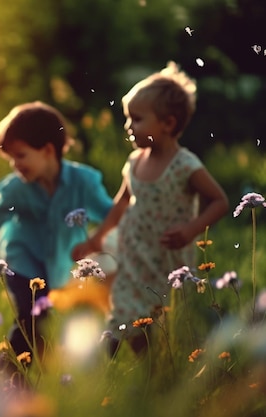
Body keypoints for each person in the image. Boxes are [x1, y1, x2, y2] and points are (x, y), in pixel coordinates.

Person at [72, 62, 229, 355]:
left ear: (167, 124)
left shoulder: (185, 165)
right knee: (123, 308)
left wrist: (191, 229)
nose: (129, 126)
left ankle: (159, 366)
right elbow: (121, 202)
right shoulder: (134, 163)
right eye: (128, 118)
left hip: (166, 259)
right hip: (134, 253)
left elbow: (220, 201)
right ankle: (122, 363)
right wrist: (97, 239)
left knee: (162, 316)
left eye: (137, 119)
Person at [0, 101, 113, 380]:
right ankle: (7, 377)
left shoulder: (83, 182)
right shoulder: (17, 187)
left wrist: (99, 240)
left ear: (48, 150)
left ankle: (56, 374)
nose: (16, 166)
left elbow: (109, 213)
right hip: (22, 259)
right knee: (31, 316)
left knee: (60, 318)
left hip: (61, 262)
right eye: (10, 159)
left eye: (21, 156)